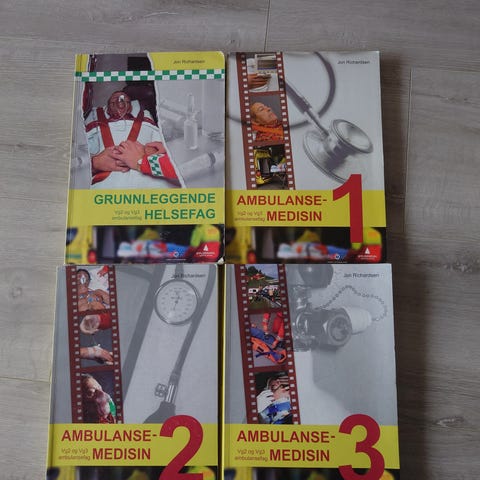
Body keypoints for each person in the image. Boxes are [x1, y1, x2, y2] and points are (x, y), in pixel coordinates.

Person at [85, 91, 183, 189]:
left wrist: (149, 154)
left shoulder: (146, 122)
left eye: (126, 100)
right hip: (107, 182)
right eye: (114, 100)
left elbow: (163, 150)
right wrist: (94, 163)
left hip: (150, 178)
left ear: (130, 107)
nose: (120, 101)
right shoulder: (95, 127)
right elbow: (80, 160)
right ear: (108, 108)